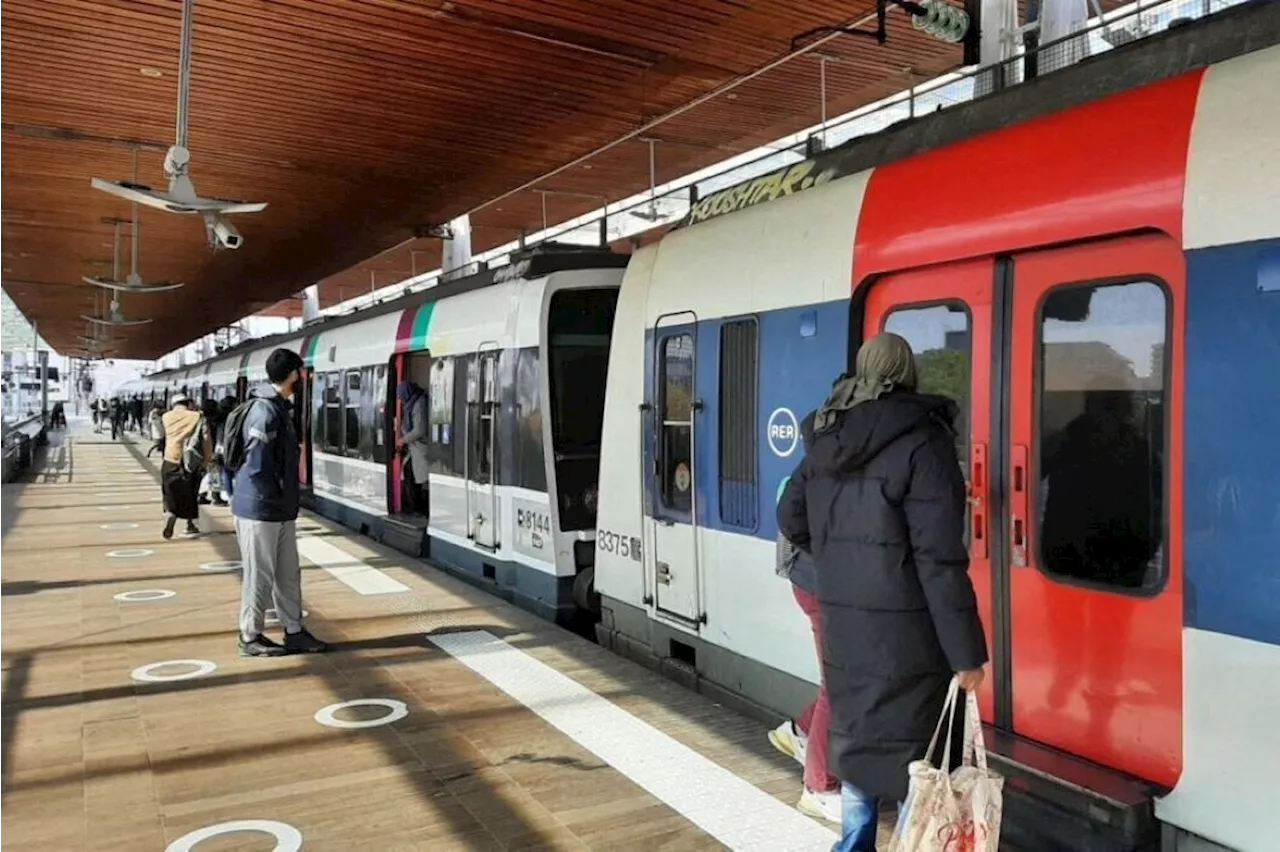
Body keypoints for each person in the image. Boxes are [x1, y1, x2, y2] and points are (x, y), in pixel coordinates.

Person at [777, 332, 988, 852]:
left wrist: (840, 557)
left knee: (859, 742)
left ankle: (853, 846)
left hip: (846, 622)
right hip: (910, 633)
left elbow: (790, 517)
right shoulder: (926, 441)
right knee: (918, 759)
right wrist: (967, 655)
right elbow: (939, 560)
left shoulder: (827, 436)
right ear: (909, 374)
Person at [224, 348, 327, 657]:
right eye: (302, 373)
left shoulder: (279, 408)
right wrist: (278, 491)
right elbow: (256, 465)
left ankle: (294, 630)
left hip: (278, 508)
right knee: (259, 573)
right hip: (260, 508)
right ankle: (249, 636)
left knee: (287, 573)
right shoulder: (266, 412)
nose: (305, 378)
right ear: (294, 374)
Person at [769, 411, 842, 824]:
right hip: (822, 590)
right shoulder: (823, 481)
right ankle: (817, 785)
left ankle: (798, 730)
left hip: (806, 586)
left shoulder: (794, 479)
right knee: (837, 685)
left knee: (840, 681)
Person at [160, 395, 210, 539]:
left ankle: (170, 513)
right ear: (188, 403)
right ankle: (190, 525)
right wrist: (207, 460)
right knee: (190, 493)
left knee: (170, 492)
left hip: (170, 459)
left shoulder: (166, 416)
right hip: (191, 461)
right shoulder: (198, 417)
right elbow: (206, 438)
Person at [395, 380, 429, 515]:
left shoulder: (419, 404)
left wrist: (402, 440)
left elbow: (419, 429)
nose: (401, 399)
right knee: (411, 474)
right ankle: (416, 506)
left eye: (401, 396)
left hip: (420, 448)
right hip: (414, 448)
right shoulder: (413, 403)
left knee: (414, 476)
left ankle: (417, 508)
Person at [197, 398, 228, 507]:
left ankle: (203, 495)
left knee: (209, 473)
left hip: (204, 450)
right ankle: (215, 497)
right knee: (215, 473)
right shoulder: (220, 420)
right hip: (214, 449)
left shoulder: (203, 419)